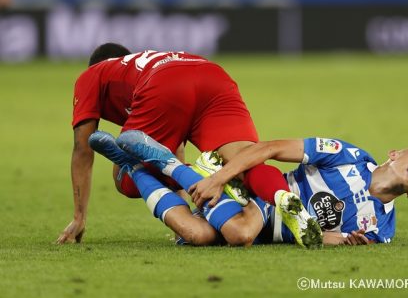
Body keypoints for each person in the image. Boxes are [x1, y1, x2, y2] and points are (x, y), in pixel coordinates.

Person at [56, 43, 313, 245]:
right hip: (212, 74)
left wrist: (79, 217)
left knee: (125, 179)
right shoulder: (142, 63)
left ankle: (190, 175)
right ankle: (285, 199)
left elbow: (83, 148)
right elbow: (172, 145)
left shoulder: (92, 74)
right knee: (246, 160)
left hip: (163, 84)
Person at [93, 129, 408, 246]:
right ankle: (180, 167)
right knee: (240, 234)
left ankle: (135, 165)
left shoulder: (383, 229)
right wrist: (220, 178)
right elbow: (270, 148)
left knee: (198, 235)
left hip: (277, 233)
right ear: (395, 154)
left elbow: (326, 239)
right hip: (266, 198)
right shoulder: (348, 156)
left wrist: (344, 243)